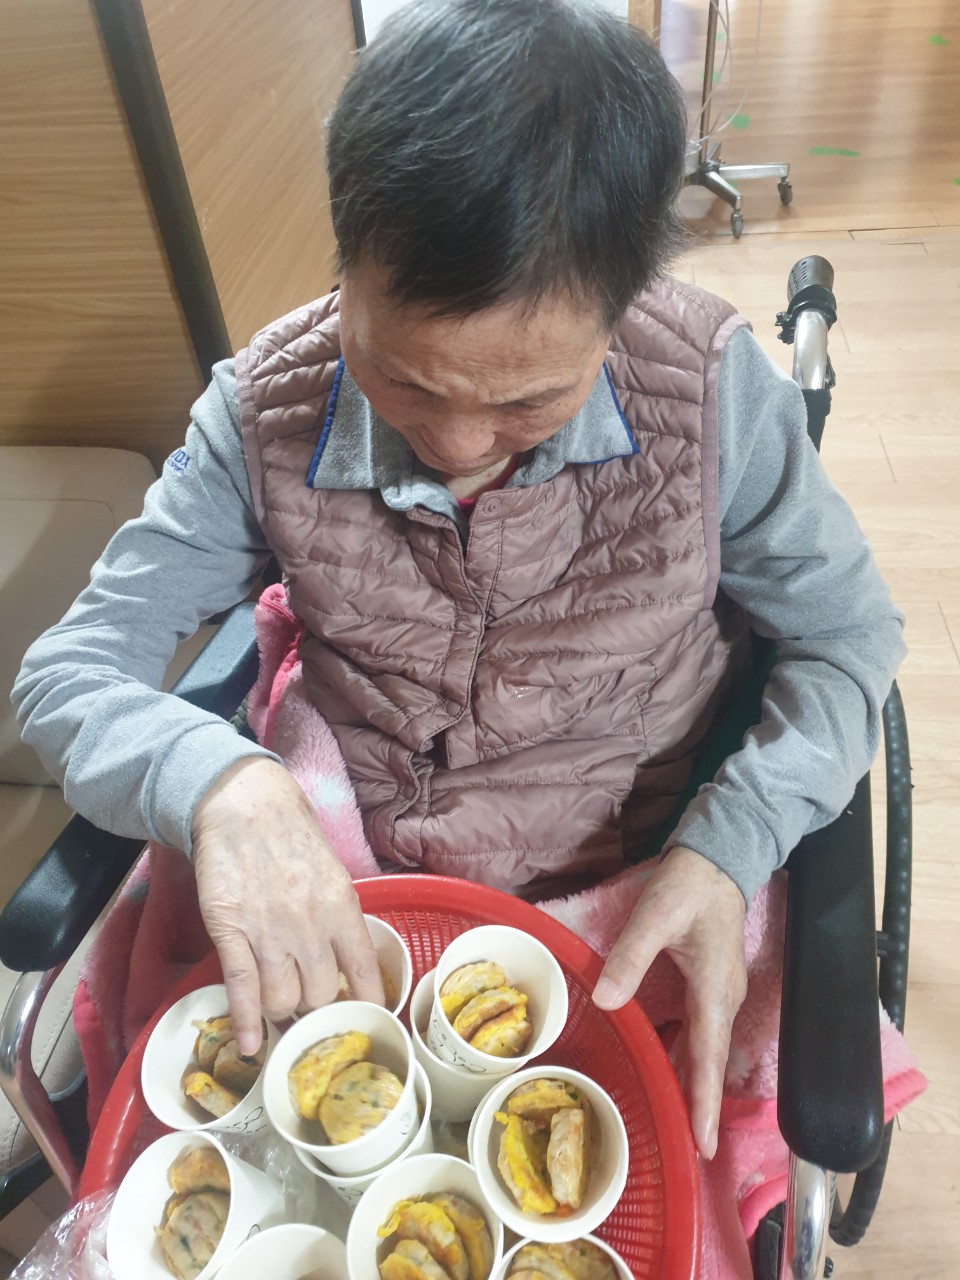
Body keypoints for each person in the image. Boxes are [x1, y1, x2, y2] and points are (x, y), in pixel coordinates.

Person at [12, 0, 903, 1163]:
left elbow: (848, 640)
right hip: (357, 879)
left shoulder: (712, 392)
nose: (459, 443)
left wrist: (732, 841)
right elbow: (67, 673)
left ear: (626, 304)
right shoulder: (261, 413)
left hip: (642, 868)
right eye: (406, 381)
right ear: (346, 266)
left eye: (530, 401)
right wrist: (219, 780)